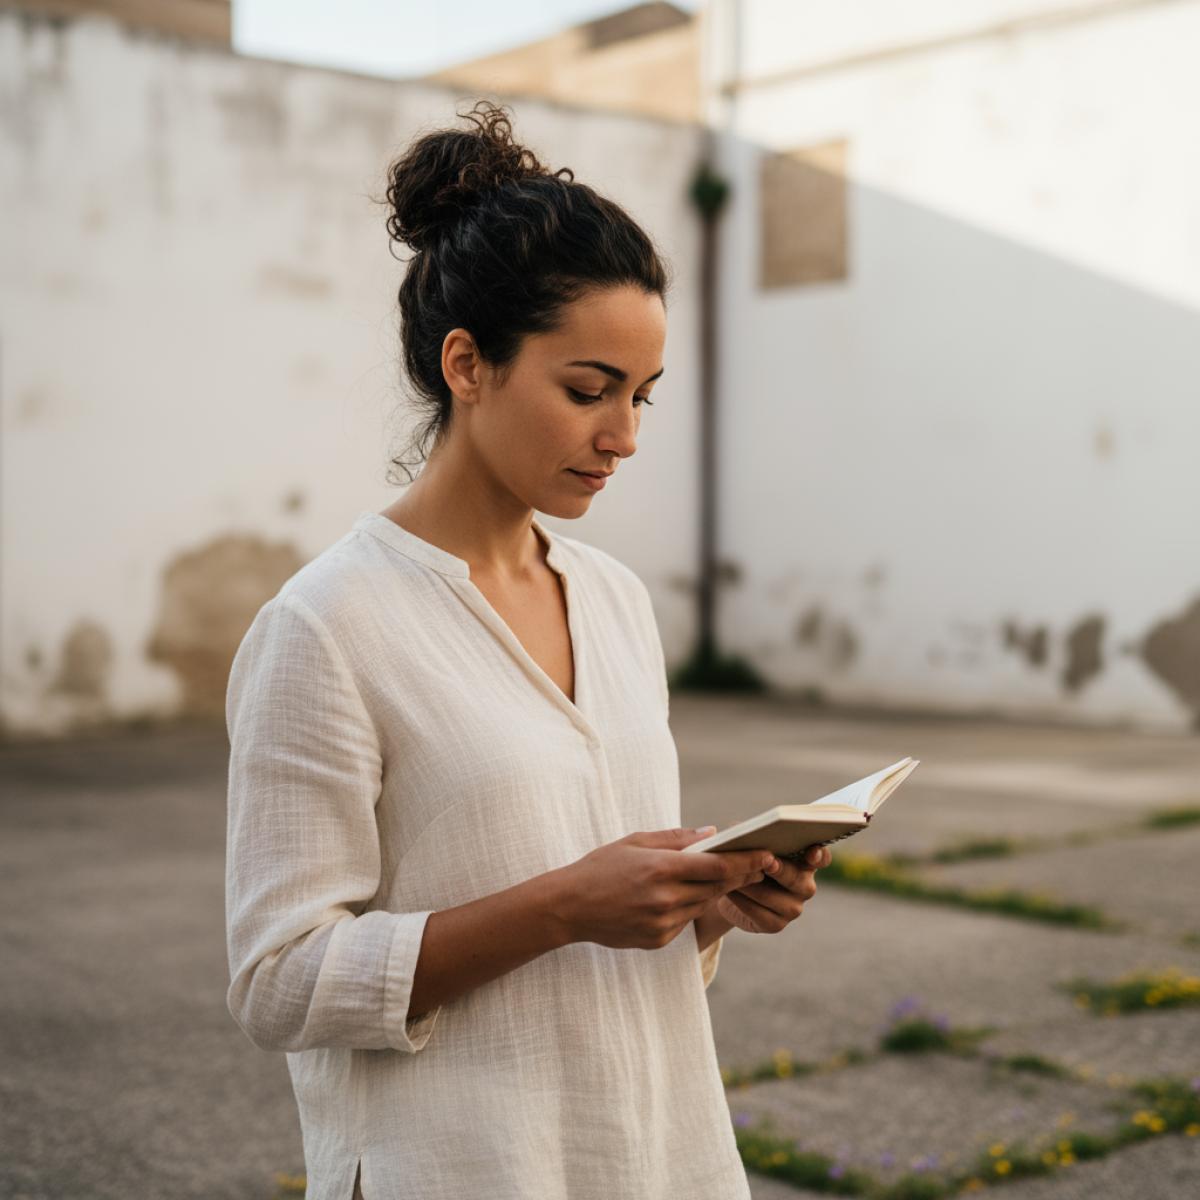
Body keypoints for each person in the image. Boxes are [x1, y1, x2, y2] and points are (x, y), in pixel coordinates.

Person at [224, 99, 832, 1200]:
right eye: (588, 390)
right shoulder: (325, 627)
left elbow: (605, 886)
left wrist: (702, 899)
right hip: (456, 1167)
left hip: (650, 1153)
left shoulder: (613, 601)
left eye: (642, 396)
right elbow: (279, 982)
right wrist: (561, 906)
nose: (625, 436)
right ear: (468, 364)